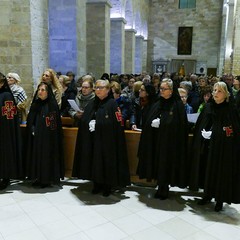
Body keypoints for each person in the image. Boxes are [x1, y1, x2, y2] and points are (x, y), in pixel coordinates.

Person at [72, 80, 130, 197]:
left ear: (108, 90)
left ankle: (107, 186)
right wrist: (89, 122)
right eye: (97, 88)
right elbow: (84, 120)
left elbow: (117, 124)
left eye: (101, 88)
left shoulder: (112, 104)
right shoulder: (92, 103)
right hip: (93, 140)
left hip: (108, 142)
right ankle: (96, 183)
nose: (98, 90)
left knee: (106, 162)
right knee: (95, 161)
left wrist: (98, 124)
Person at [190, 81, 240, 212]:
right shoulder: (208, 107)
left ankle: (219, 199)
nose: (215, 93)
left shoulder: (230, 109)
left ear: (226, 94)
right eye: (214, 90)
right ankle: (207, 194)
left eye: (219, 91)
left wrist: (215, 133)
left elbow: (231, 130)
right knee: (207, 170)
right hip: (207, 147)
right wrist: (203, 134)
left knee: (220, 173)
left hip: (223, 148)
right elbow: (201, 124)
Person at [137, 78, 188, 200]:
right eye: (160, 88)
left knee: (167, 164)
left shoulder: (177, 105)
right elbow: (149, 119)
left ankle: (165, 187)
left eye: (164, 89)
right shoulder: (157, 103)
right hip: (156, 141)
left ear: (171, 90)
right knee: (157, 163)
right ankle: (159, 185)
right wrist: (152, 123)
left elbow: (179, 125)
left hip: (170, 143)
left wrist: (163, 122)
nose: (161, 91)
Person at [25, 82, 64, 188]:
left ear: (48, 92)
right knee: (36, 156)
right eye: (39, 90)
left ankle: (46, 179)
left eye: (43, 90)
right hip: (36, 138)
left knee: (46, 158)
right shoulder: (35, 104)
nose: (40, 92)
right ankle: (37, 177)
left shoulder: (52, 105)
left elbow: (53, 126)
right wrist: (32, 128)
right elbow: (30, 120)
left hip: (48, 139)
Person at [0, 72, 23, 190]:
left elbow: (9, 116)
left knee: (4, 154)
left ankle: (5, 177)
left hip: (4, 130)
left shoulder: (7, 95)